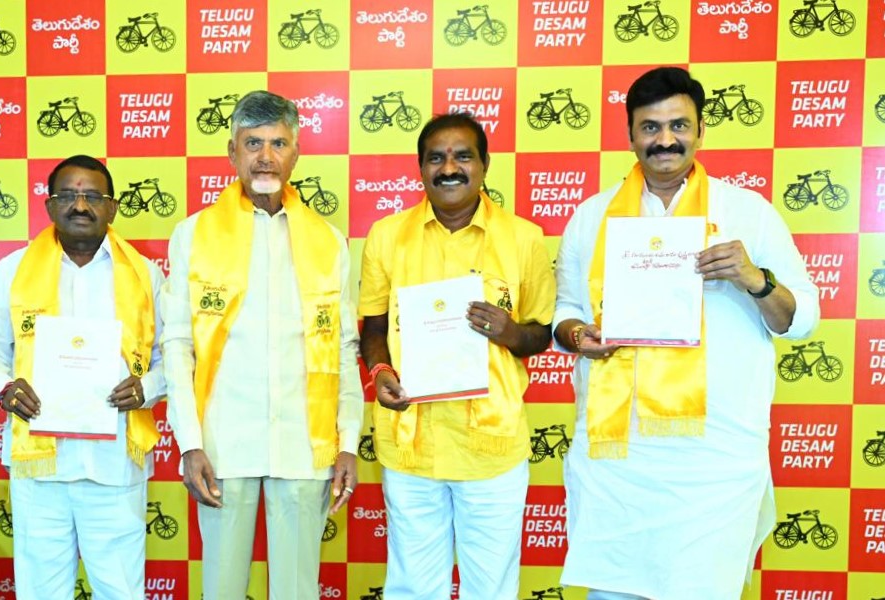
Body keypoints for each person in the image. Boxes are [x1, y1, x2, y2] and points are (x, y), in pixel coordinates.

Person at [553, 66, 820, 600]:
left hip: (713, 459)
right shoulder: (591, 216)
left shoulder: (746, 212)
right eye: (650, 127)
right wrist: (579, 335)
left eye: (679, 125)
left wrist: (754, 279)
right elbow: (564, 314)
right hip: (618, 458)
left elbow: (801, 319)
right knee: (612, 591)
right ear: (630, 134)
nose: (665, 140)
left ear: (701, 131)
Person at [161, 90, 361, 599]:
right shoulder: (193, 235)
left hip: (305, 444)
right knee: (223, 588)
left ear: (296, 153)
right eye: (253, 143)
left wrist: (346, 443)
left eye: (278, 143)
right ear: (232, 152)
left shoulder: (328, 240)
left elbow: (342, 349)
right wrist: (189, 443)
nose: (265, 156)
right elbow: (179, 347)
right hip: (223, 444)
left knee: (297, 589)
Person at [358, 113, 556, 599]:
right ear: (421, 168)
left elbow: (543, 333)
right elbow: (374, 328)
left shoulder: (525, 238)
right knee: (412, 588)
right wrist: (380, 371)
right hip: (411, 444)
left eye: (463, 156)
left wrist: (510, 332)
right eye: (437, 157)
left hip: (491, 447)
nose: (450, 167)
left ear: (485, 165)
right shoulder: (386, 236)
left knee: (490, 589)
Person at [0, 154, 165, 598]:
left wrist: (147, 387)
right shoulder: (13, 270)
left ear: (112, 207)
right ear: (49, 205)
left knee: (121, 590)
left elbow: (171, 357)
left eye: (93, 196)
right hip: (40, 468)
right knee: (41, 591)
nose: (81, 205)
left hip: (115, 465)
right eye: (69, 196)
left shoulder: (146, 277)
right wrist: (4, 388)